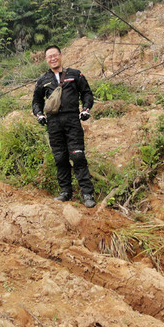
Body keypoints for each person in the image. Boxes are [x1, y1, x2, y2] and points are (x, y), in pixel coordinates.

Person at [32, 45, 96, 208]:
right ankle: (65, 192)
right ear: (46, 60)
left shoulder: (75, 74)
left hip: (72, 120)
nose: (52, 58)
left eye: (55, 55)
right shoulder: (43, 80)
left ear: (60, 55)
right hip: (53, 123)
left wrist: (86, 109)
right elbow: (36, 102)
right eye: (49, 57)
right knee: (60, 158)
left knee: (78, 156)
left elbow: (87, 93)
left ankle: (87, 193)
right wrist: (39, 114)